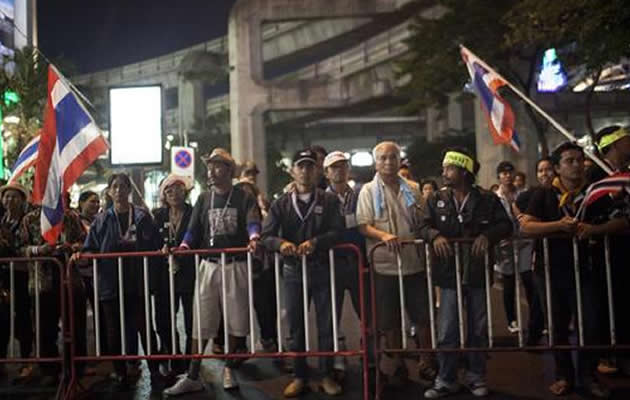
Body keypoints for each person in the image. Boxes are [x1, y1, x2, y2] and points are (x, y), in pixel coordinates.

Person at [520, 142, 619, 398]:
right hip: (550, 271)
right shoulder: (543, 194)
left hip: (586, 269)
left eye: (579, 160)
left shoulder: (594, 193)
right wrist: (558, 226)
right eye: (569, 161)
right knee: (558, 325)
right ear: (556, 168)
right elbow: (527, 227)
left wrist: (596, 230)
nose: (577, 165)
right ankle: (564, 375)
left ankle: (587, 376)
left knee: (590, 323)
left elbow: (619, 219)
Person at [164, 148, 262, 395]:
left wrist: (254, 237)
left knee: (236, 320)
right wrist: (185, 245)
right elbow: (193, 228)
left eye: (218, 166)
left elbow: (252, 220)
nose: (211, 170)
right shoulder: (204, 198)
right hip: (209, 264)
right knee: (202, 320)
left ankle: (229, 367)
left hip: (236, 263)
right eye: (209, 166)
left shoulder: (243, 196)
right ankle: (193, 374)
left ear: (229, 170)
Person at [419, 148, 512, 398]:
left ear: (464, 171)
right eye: (444, 167)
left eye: (449, 168)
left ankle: (476, 376)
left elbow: (506, 225)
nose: (444, 172)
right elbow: (423, 225)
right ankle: (445, 379)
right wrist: (434, 235)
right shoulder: (436, 198)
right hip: (448, 274)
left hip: (477, 273)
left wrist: (487, 235)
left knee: (478, 328)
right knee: (447, 328)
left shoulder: (486, 199)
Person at [262, 148, 344, 397]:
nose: (305, 171)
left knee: (326, 325)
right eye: (301, 166)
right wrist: (281, 244)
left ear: (317, 170)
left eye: (310, 166)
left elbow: (337, 232)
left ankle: (326, 375)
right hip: (293, 271)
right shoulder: (281, 203)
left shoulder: (329, 201)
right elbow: (267, 236)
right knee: (295, 326)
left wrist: (317, 242)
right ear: (292, 170)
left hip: (322, 269)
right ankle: (299, 376)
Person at [356, 141, 434, 385]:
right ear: (376, 162)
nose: (388, 162)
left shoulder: (413, 188)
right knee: (390, 321)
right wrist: (383, 236)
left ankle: (427, 362)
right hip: (384, 265)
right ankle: (399, 363)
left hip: (414, 263)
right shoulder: (368, 191)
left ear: (399, 160)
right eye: (383, 158)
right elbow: (363, 224)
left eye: (393, 157)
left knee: (422, 317)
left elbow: (423, 221)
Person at [81, 173, 162, 389]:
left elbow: (157, 243)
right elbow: (89, 248)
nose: (119, 191)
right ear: (109, 191)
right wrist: (83, 256)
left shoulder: (143, 217)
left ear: (130, 190)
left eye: (123, 186)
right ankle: (120, 372)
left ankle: (155, 370)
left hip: (137, 283)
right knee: (113, 331)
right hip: (110, 285)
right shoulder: (101, 220)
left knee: (145, 329)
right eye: (115, 187)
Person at [20, 191, 88, 385]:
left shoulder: (71, 217)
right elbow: (20, 247)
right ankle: (49, 370)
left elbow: (84, 241)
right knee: (45, 328)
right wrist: (38, 251)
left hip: (70, 279)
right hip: (42, 282)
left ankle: (75, 369)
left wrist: (72, 247)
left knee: (75, 326)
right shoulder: (30, 219)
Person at [587, 126, 630, 376]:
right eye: (626, 139)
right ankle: (606, 353)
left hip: (624, 250)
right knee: (607, 303)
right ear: (614, 145)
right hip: (606, 252)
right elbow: (586, 208)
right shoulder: (596, 173)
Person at [323, 151, 367, 380]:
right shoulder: (321, 198)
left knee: (367, 313)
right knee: (332, 314)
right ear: (326, 173)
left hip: (358, 262)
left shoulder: (361, 194)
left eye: (342, 166)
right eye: (334, 167)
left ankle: (369, 356)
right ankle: (338, 359)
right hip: (332, 264)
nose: (339, 170)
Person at [152, 174, 195, 374]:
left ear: (184, 191)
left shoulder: (194, 213)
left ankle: (191, 358)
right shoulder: (158, 215)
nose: (173, 193)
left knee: (191, 319)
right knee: (164, 318)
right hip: (164, 275)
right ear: (163, 195)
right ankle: (173, 354)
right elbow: (151, 241)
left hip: (189, 273)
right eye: (168, 190)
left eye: (178, 188)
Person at [493, 161, 541, 336]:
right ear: (498, 176)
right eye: (503, 173)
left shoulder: (523, 194)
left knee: (529, 280)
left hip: (524, 243)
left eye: (509, 173)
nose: (506, 176)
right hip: (505, 246)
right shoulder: (494, 197)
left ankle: (536, 320)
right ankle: (511, 320)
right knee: (509, 283)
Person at [0, 183, 33, 381]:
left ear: (22, 200)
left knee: (22, 319)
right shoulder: (1, 220)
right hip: (3, 278)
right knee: (2, 320)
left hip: (21, 276)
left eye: (13, 197)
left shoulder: (26, 222)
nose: (9, 200)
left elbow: (26, 246)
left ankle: (26, 361)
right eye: (6, 197)